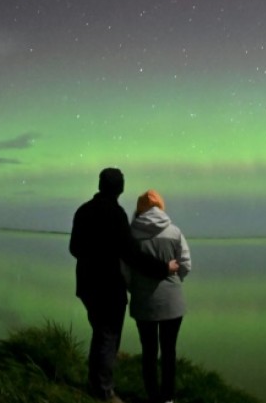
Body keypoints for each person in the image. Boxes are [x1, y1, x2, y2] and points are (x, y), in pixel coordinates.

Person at [69, 168, 179, 403]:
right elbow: (131, 254)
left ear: (100, 185)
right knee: (108, 336)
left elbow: (74, 249)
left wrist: (93, 254)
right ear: (120, 188)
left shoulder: (83, 211)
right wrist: (163, 269)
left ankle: (96, 383)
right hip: (108, 286)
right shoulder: (115, 214)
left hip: (87, 285)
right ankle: (104, 391)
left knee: (100, 333)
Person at [123, 189, 191, 403]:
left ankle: (153, 396)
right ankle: (168, 398)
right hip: (172, 301)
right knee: (169, 350)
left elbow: (124, 271)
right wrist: (174, 280)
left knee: (149, 351)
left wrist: (134, 287)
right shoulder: (174, 232)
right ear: (161, 207)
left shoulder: (131, 234)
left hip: (144, 302)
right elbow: (186, 265)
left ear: (139, 208)